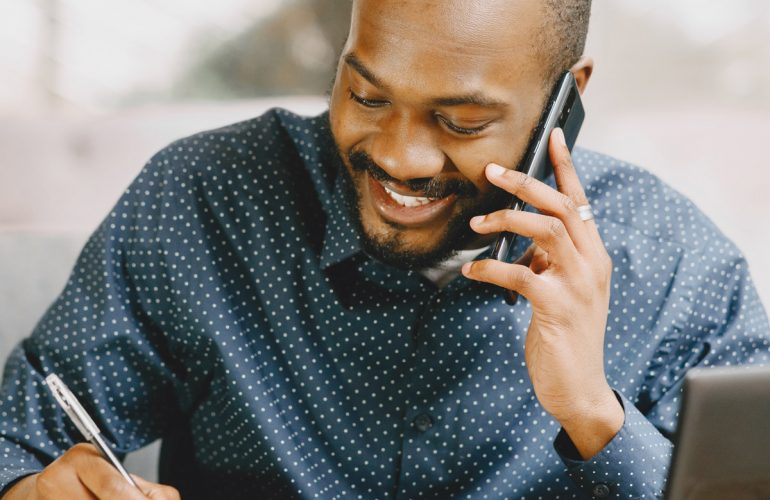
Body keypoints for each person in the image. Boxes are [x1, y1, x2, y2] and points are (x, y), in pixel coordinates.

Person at [1, 0, 768, 498]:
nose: (400, 157)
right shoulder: (206, 203)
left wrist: (594, 412)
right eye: (367, 96)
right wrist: (32, 488)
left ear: (566, 98)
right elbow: (19, 434)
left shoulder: (678, 270)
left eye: (462, 121)